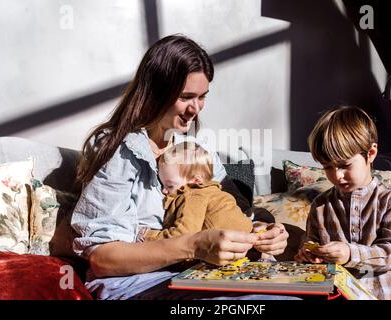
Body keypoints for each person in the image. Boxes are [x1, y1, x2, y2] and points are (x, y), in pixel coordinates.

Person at [70, 34, 290, 300]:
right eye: (186, 97)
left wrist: (262, 234)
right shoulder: (119, 151)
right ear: (156, 92)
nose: (196, 108)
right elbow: (102, 259)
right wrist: (193, 245)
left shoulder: (194, 151)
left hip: (205, 276)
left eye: (202, 97)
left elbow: (230, 213)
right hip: (139, 284)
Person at [295, 106, 391, 300]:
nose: (337, 175)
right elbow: (310, 243)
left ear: (370, 153)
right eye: (328, 167)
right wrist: (309, 254)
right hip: (340, 295)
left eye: (345, 165)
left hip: (387, 295)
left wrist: (350, 254)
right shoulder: (320, 205)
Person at [140, 141, 253, 242]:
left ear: (196, 181)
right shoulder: (216, 191)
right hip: (248, 238)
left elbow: (182, 237)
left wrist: (147, 235)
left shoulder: (193, 196)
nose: (163, 190)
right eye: (162, 183)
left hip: (231, 247)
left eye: (170, 185)